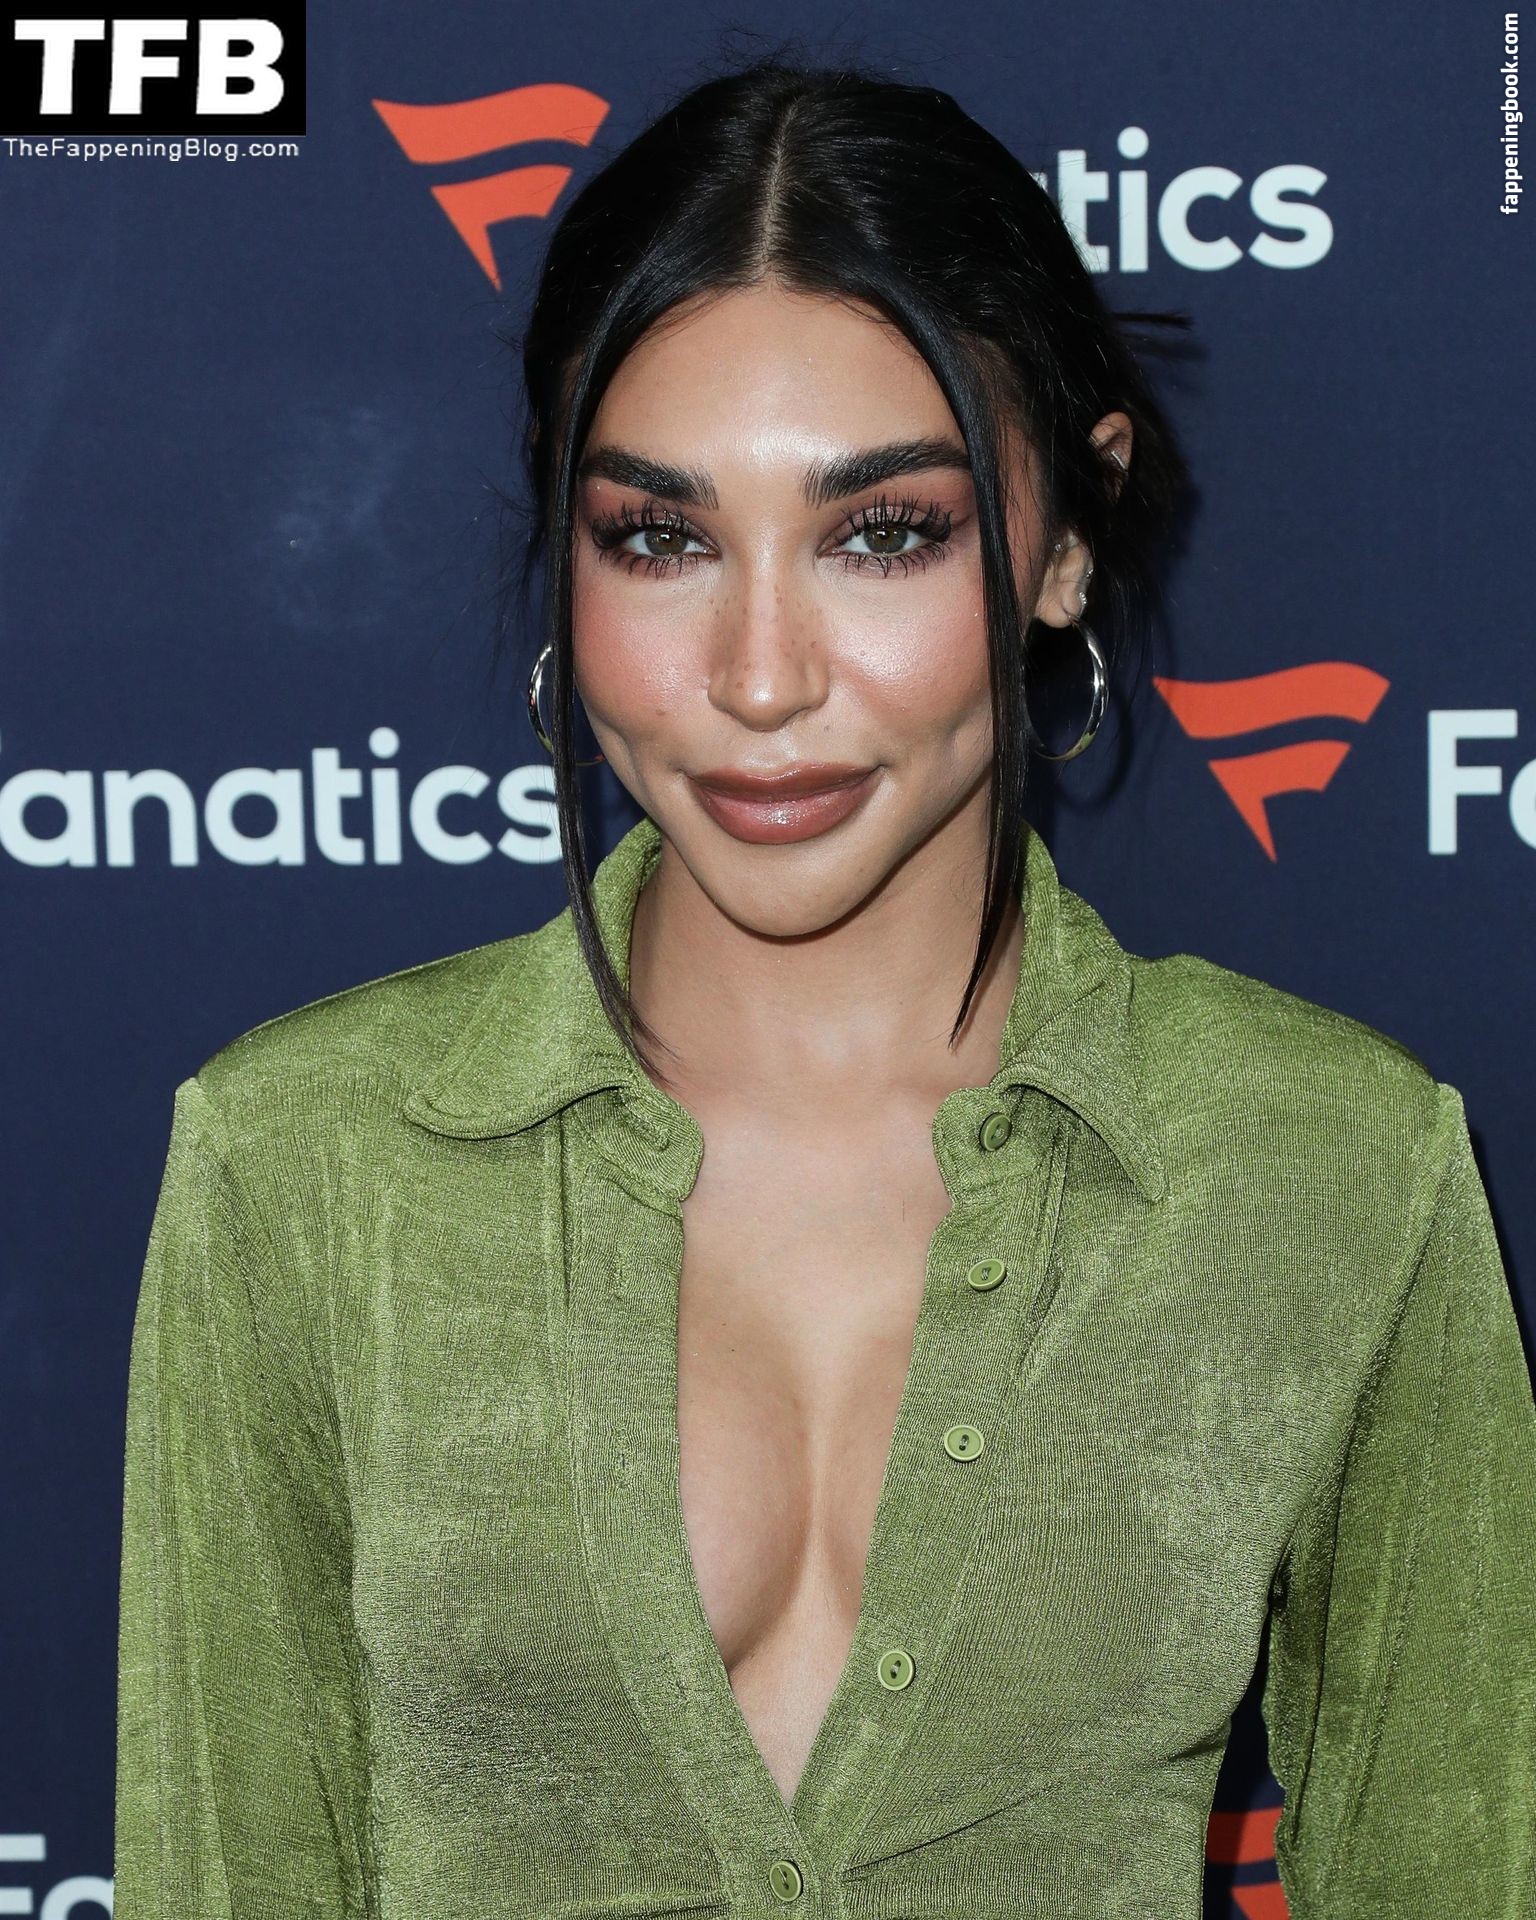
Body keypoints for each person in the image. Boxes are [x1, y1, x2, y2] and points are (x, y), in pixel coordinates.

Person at [113, 57, 1536, 1920]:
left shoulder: (1331, 1162)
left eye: (885, 533)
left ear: (1066, 535)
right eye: (660, 538)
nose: (762, 675)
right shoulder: (304, 1163)